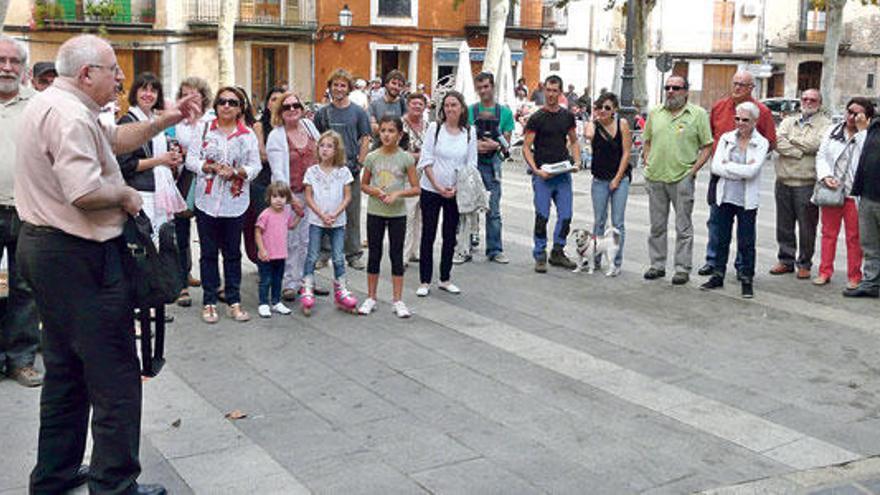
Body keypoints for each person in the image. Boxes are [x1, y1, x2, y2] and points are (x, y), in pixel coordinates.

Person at [16, 34, 200, 495]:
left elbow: (115, 140)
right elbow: (84, 192)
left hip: (47, 251)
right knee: (116, 375)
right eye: (113, 70)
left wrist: (168, 118)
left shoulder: (56, 104)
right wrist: (126, 195)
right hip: (79, 257)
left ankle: (55, 476)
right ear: (86, 74)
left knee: (65, 370)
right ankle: (115, 484)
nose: (120, 78)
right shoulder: (69, 115)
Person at [186, 86, 261, 324]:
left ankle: (233, 300)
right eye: (222, 102)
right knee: (208, 253)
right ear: (216, 105)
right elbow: (191, 160)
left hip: (234, 203)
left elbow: (255, 166)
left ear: (240, 108)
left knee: (232, 253)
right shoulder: (204, 128)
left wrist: (237, 172)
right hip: (206, 201)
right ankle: (209, 301)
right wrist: (207, 168)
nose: (226, 106)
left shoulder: (247, 134)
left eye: (232, 102)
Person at [699, 71, 776, 278]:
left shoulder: (762, 112)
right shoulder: (719, 107)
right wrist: (727, 166)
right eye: (735, 83)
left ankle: (743, 267)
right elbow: (711, 138)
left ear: (752, 88)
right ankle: (713, 261)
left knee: (745, 230)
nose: (737, 88)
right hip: (719, 174)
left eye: (743, 84)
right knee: (716, 221)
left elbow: (769, 142)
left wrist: (743, 163)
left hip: (743, 180)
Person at [642, 75, 713, 285]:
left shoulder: (698, 114)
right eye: (668, 87)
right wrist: (647, 161)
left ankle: (682, 268)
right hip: (656, 176)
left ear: (685, 92)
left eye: (676, 88)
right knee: (657, 225)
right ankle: (657, 265)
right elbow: (647, 141)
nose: (670, 91)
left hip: (682, 177)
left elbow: (707, 145)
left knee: (683, 226)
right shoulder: (655, 113)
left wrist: (693, 171)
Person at [0, 35, 42, 388]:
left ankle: (21, 359)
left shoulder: (39, 105)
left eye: (14, 61)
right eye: (1, 60)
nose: (7, 67)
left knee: (25, 288)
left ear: (24, 68)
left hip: (27, 210)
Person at [266, 90, 328, 302]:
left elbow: (322, 154)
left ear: (302, 109)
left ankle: (307, 280)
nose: (292, 110)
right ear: (280, 112)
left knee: (310, 240)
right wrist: (292, 201)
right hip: (289, 194)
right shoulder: (276, 136)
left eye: (296, 106)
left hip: (313, 193)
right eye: (287, 107)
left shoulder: (310, 127)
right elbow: (278, 173)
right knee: (291, 240)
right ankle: (289, 283)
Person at [416, 91, 477, 297]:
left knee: (450, 235)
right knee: (428, 234)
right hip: (431, 189)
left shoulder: (469, 132)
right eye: (447, 105)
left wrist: (457, 188)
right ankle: (425, 280)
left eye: (454, 105)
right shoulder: (435, 128)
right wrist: (437, 185)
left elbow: (471, 164)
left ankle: (445, 278)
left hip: (455, 191)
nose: (450, 109)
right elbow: (425, 159)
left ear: (462, 108)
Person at [359, 115, 420, 317]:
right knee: (374, 254)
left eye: (391, 131)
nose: (386, 134)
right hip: (375, 211)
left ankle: (397, 299)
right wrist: (375, 191)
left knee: (396, 255)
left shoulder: (405, 158)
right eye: (383, 130)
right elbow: (364, 184)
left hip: (397, 213)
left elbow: (416, 188)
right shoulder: (372, 157)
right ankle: (371, 296)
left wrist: (398, 194)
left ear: (399, 134)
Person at [522, 75, 582, 273]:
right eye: (548, 90)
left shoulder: (567, 116)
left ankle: (558, 251)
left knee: (566, 215)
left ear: (560, 93)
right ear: (544, 91)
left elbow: (573, 141)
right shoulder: (536, 118)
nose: (550, 94)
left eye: (555, 91)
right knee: (542, 215)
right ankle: (540, 254)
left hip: (563, 173)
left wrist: (577, 161)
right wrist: (536, 169)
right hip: (543, 175)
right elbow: (526, 147)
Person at [116, 72, 187, 239]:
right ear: (135, 93)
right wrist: (160, 160)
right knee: (147, 244)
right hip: (141, 193)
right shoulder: (127, 122)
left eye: (153, 91)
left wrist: (172, 159)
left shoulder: (156, 121)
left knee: (164, 243)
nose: (148, 94)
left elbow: (163, 156)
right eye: (143, 89)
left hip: (160, 190)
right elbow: (126, 165)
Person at [313, 69, 371, 270]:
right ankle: (324, 253)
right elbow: (317, 140)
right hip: (327, 171)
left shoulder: (358, 112)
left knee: (352, 213)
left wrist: (360, 163)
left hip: (350, 170)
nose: (338, 89)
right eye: (335, 85)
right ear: (330, 87)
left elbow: (365, 138)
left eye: (342, 85)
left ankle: (353, 253)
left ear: (349, 88)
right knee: (326, 210)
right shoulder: (322, 113)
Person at [770, 89, 830, 279]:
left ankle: (804, 263)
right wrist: (798, 152)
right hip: (783, 180)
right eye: (805, 99)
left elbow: (815, 145)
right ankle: (786, 260)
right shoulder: (788, 121)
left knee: (807, 226)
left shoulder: (826, 125)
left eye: (813, 99)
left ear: (820, 103)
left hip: (807, 182)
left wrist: (792, 140)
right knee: (784, 225)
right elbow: (777, 141)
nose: (808, 102)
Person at [815, 98, 873, 288]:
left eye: (857, 113)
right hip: (833, 190)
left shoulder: (870, 135)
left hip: (854, 194)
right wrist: (825, 176)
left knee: (854, 237)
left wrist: (863, 131)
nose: (851, 116)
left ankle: (854, 276)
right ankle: (824, 271)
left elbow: (869, 155)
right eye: (849, 111)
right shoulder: (833, 131)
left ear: (866, 116)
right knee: (828, 233)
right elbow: (821, 156)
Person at [300, 131, 357, 315]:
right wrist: (321, 214)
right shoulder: (312, 172)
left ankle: (341, 289)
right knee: (312, 254)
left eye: (329, 146)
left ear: (336, 150)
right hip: (317, 220)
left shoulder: (343, 172)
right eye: (322, 145)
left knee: (339, 256)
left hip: (337, 221)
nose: (325, 149)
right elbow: (308, 197)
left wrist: (335, 213)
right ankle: (307, 286)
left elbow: (347, 196)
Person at [462, 71, 513, 264]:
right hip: (473, 165)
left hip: (493, 166)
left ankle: (495, 249)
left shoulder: (505, 113)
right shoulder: (470, 111)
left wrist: (496, 145)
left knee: (493, 210)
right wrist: (477, 146)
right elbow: (464, 138)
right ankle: (464, 247)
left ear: (493, 87)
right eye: (480, 87)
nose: (483, 91)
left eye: (486, 86)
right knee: (467, 207)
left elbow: (506, 144)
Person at [172, 77, 213, 307]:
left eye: (194, 94)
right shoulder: (176, 120)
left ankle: (212, 281)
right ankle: (182, 282)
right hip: (182, 180)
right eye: (184, 93)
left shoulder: (211, 120)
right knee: (181, 232)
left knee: (209, 233)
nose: (189, 98)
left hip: (207, 180)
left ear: (203, 96)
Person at [584, 91, 632, 276]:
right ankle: (594, 259)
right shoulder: (594, 125)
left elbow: (627, 153)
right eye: (599, 107)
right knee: (599, 221)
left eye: (607, 108)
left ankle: (616, 262)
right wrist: (591, 120)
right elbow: (588, 136)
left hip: (619, 178)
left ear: (615, 110)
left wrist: (617, 179)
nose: (603, 111)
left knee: (618, 222)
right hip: (599, 179)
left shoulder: (622, 124)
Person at [245, 87, 286, 264]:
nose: (276, 102)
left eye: (280, 99)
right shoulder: (259, 126)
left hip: (283, 182)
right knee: (264, 224)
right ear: (267, 103)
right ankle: (264, 262)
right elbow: (261, 155)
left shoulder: (288, 126)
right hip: (263, 182)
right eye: (273, 99)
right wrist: (283, 155)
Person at [845, 103, 880, 298]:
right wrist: (861, 130)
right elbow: (862, 153)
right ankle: (871, 282)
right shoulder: (874, 126)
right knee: (870, 244)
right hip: (868, 195)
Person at [255, 181, 299, 317]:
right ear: (269, 198)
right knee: (265, 280)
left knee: (277, 279)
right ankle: (263, 303)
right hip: (267, 254)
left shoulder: (286, 213)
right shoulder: (265, 214)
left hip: (280, 254)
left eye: (282, 197)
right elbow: (257, 232)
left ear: (287, 199)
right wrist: (262, 250)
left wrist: (299, 216)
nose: (278, 200)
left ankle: (276, 302)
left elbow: (291, 226)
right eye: (275, 196)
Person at [402, 92, 428, 265]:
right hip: (406, 175)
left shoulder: (428, 126)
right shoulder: (400, 125)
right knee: (408, 215)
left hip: (425, 176)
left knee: (422, 215)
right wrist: (419, 156)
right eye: (414, 104)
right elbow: (397, 151)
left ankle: (415, 250)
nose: (417, 107)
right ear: (408, 105)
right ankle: (403, 254)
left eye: (420, 104)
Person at [369, 70, 408, 143]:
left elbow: (406, 127)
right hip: (378, 148)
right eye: (393, 83)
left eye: (400, 85)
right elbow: (373, 127)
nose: (396, 87)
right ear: (386, 84)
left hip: (397, 149)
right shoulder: (374, 105)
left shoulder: (404, 104)